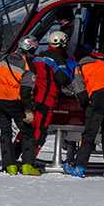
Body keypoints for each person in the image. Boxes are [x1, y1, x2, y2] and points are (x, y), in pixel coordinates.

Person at [13, 34, 72, 162]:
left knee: (27, 128)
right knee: (40, 130)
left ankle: (13, 154)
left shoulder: (39, 56)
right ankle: (29, 160)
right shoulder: (57, 59)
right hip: (46, 99)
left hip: (32, 97)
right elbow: (63, 78)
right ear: (62, 44)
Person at [66, 51, 104, 178]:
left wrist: (87, 109)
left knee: (90, 133)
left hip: (100, 93)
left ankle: (79, 167)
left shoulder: (80, 67)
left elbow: (81, 92)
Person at [0, 39, 38, 175]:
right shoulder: (28, 65)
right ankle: (27, 165)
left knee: (5, 132)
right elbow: (25, 91)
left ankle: (9, 165)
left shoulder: (5, 58)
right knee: (28, 133)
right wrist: (28, 110)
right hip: (13, 100)